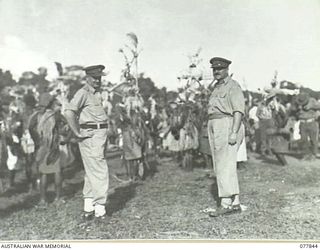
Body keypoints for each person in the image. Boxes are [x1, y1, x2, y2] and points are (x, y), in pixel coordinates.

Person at [64, 65, 109, 220]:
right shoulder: (83, 93)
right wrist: (77, 132)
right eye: (95, 78)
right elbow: (69, 112)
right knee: (99, 170)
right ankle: (100, 209)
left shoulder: (97, 94)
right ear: (87, 78)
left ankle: (89, 207)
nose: (98, 80)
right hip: (91, 135)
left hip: (100, 133)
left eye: (100, 78)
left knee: (92, 171)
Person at [206, 57, 245, 217]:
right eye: (214, 69)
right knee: (222, 162)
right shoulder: (216, 87)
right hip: (215, 124)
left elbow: (238, 111)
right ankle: (235, 202)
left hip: (227, 124)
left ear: (227, 70)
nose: (217, 71)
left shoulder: (233, 86)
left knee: (224, 163)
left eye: (220, 69)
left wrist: (234, 132)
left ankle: (226, 204)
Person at [35, 93, 63, 205]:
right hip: (54, 146)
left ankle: (43, 200)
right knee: (57, 172)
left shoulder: (39, 116)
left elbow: (32, 128)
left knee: (43, 173)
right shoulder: (56, 115)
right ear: (52, 104)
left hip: (43, 146)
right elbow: (68, 124)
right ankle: (58, 198)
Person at [292, 93, 320, 160]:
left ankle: (314, 154)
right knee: (303, 140)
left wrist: (312, 107)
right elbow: (292, 110)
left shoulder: (312, 100)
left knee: (313, 140)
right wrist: (297, 109)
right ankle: (306, 154)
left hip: (311, 122)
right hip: (302, 123)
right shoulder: (297, 102)